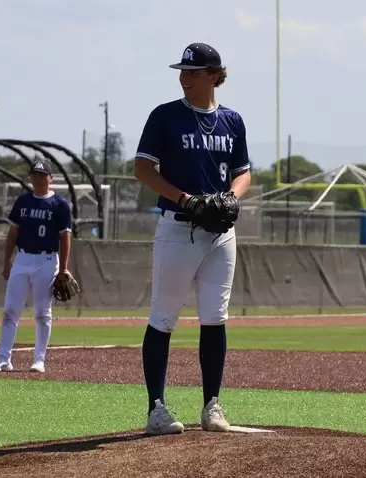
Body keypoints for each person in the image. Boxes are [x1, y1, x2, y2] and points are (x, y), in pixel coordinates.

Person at [133, 42, 252, 435]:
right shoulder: (166, 116)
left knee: (215, 317)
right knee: (163, 317)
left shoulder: (232, 120)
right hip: (178, 228)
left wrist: (230, 197)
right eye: (183, 71)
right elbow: (143, 169)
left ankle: (212, 406)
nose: (185, 78)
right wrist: (184, 198)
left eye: (194, 72)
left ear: (214, 75)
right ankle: (156, 408)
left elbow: (243, 172)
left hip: (220, 233)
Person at [0, 159, 73, 373]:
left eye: (43, 175)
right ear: (31, 178)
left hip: (47, 260)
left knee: (43, 313)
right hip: (23, 258)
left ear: (51, 178)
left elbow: (65, 237)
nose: (38, 178)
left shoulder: (60, 204)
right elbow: (12, 234)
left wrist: (63, 268)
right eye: (35, 174)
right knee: (10, 310)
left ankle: (39, 360)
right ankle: (4, 358)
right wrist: (7, 261)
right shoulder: (23, 202)